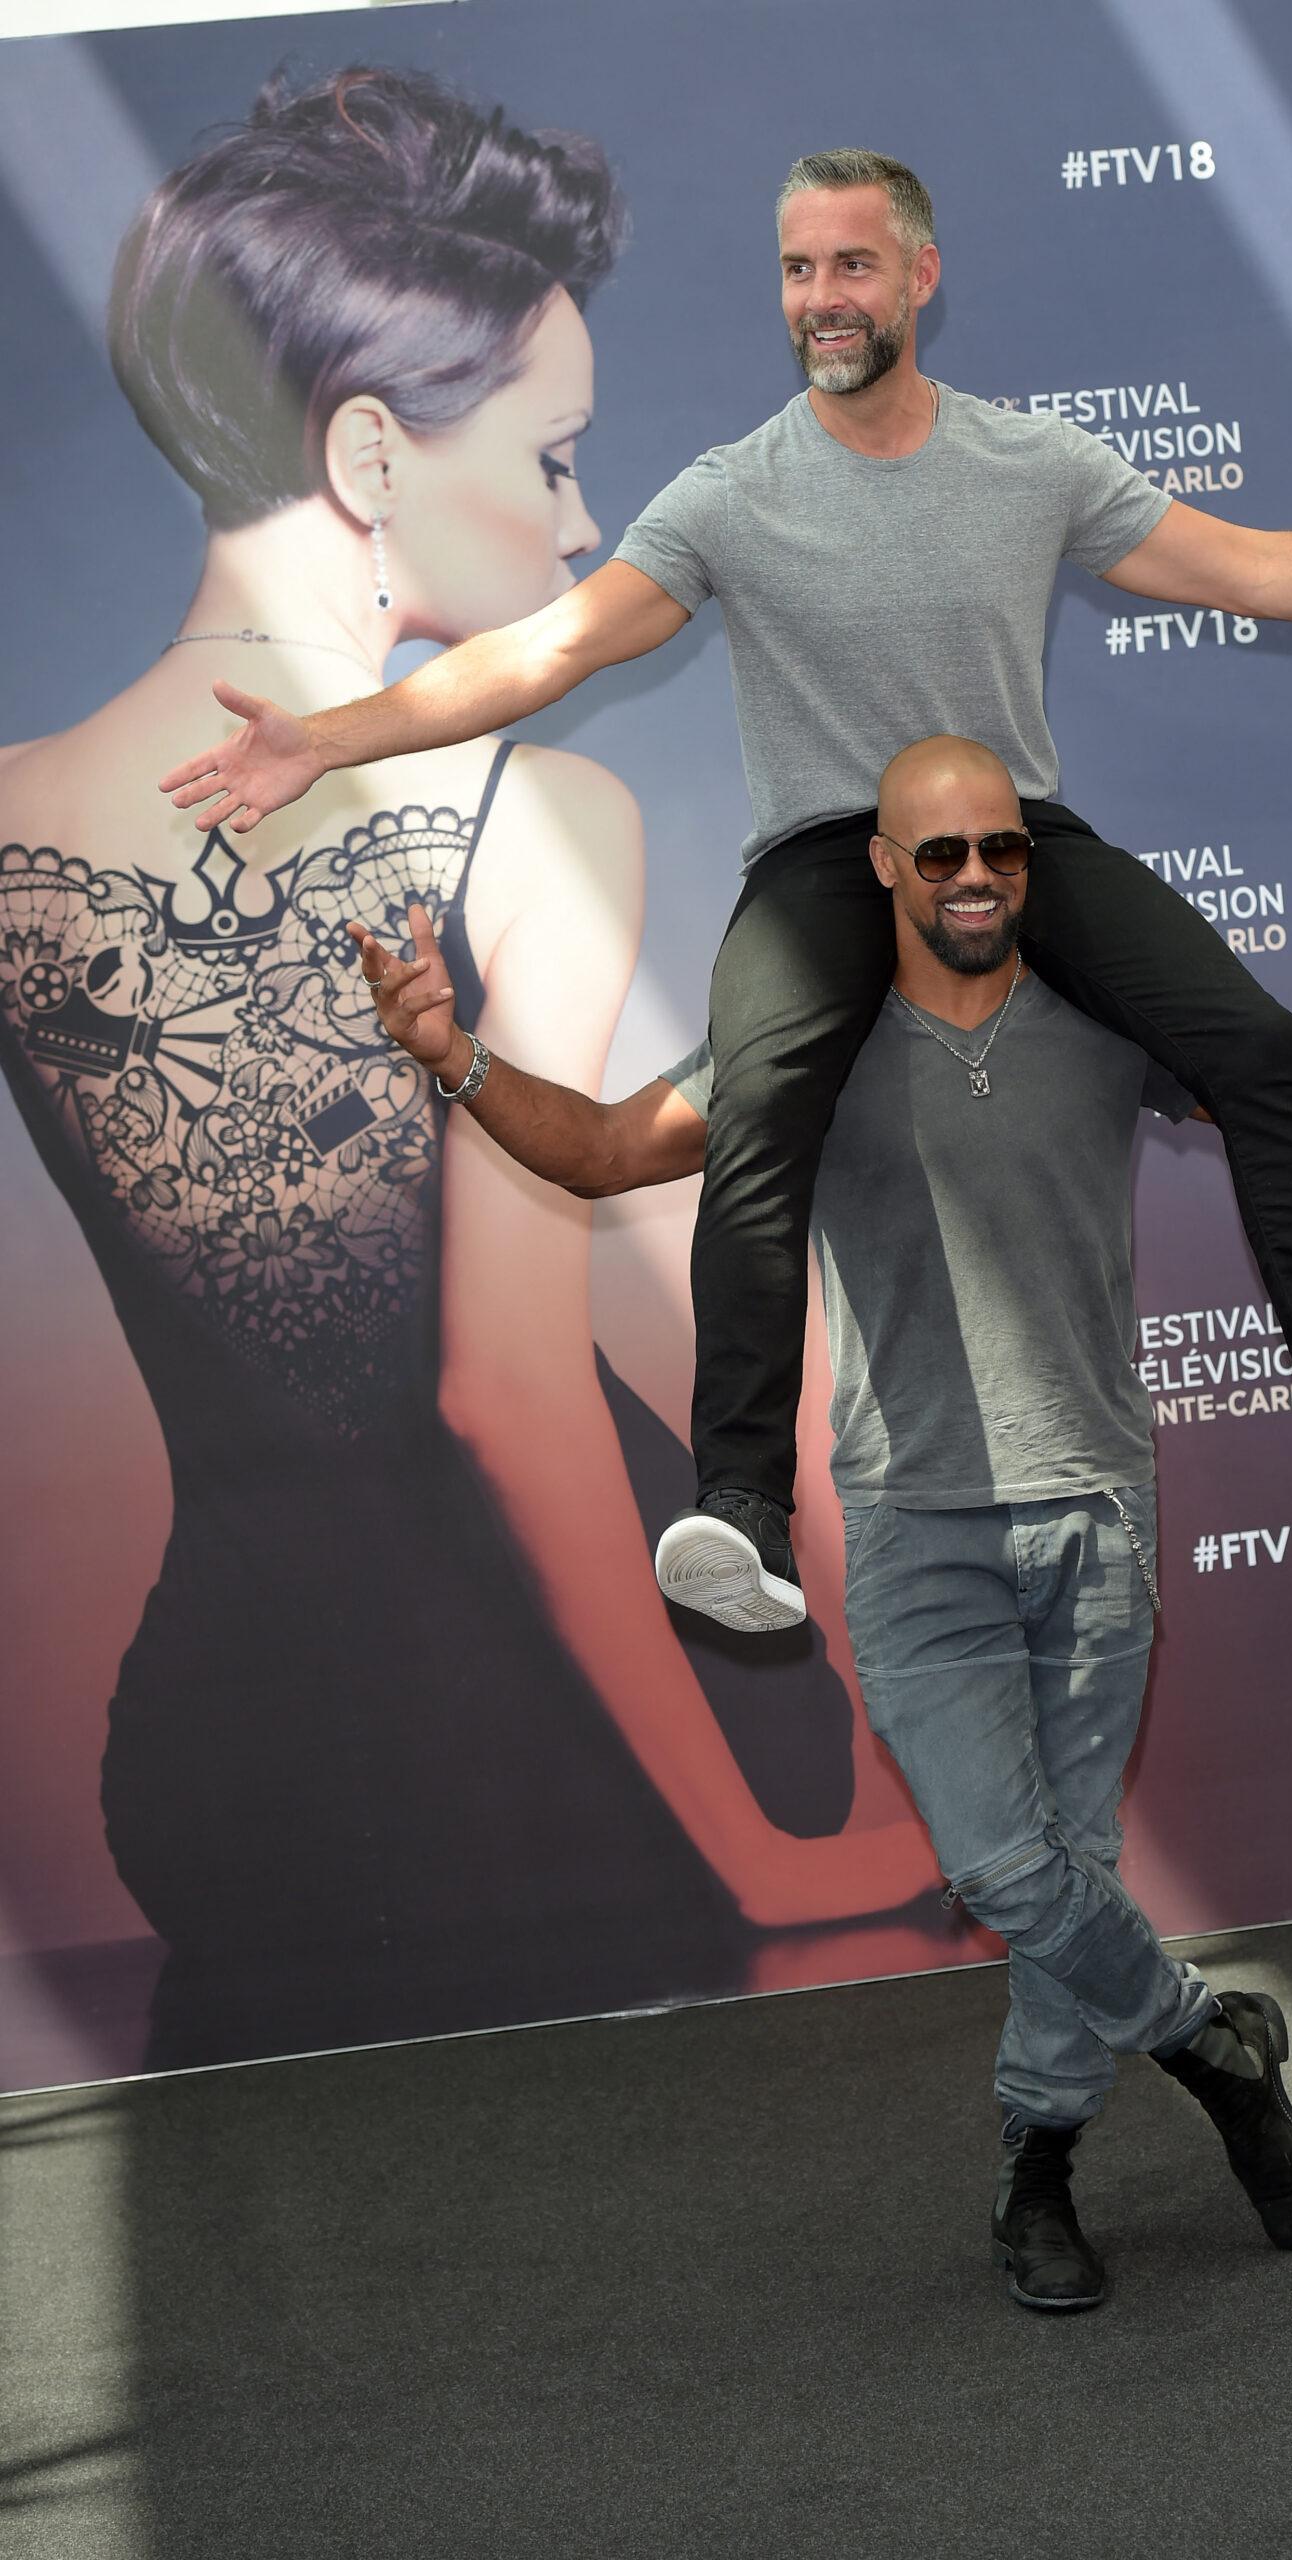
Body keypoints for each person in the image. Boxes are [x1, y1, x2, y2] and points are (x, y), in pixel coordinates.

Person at [164, 146, 1292, 1638]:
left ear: (921, 276)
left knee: (1255, 1050)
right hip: (828, 851)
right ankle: (740, 1503)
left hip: (1012, 833)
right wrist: (327, 733)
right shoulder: (731, 496)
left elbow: (1247, 567)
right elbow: (542, 653)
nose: (823, 298)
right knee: (761, 1101)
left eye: (853, 266)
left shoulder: (1032, 462)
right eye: (800, 269)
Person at [352, 730, 1292, 2308]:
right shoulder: (803, 1042)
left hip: (1095, 1507)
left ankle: (1037, 2172)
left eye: (1001, 852)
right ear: (881, 864)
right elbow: (602, 1152)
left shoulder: (1102, 1022)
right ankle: (1215, 2046)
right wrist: (449, 1058)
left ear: (1034, 864)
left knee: (1065, 1863)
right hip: (913, 1519)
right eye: (938, 854)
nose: (973, 879)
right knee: (1010, 1867)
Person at [0, 71, 931, 2071]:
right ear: (364, 452)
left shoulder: (11, 825)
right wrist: (772, 1846)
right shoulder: (540, 809)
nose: (591, 524)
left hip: (214, 1755)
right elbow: (512, 1393)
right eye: (560, 455)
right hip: (551, 1740)